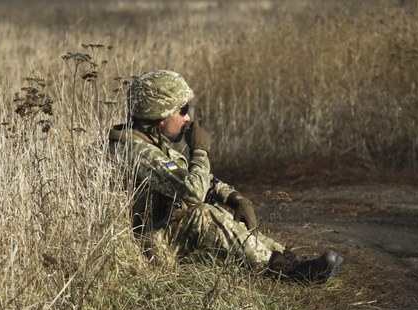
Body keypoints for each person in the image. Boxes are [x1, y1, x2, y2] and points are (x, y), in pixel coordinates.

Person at [108, 69, 344, 283]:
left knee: (215, 208)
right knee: (202, 213)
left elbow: (194, 178)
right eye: (183, 110)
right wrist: (199, 152)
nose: (188, 118)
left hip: (161, 233)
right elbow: (192, 192)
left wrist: (235, 198)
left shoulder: (152, 143)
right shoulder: (134, 151)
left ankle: (290, 261)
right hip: (148, 246)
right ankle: (285, 271)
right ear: (161, 116)